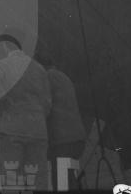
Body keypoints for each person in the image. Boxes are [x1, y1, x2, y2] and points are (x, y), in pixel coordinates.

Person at [0, 29, 51, 190]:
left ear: (5, 45)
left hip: (12, 129)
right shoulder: (39, 68)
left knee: (11, 179)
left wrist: (5, 102)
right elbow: (47, 103)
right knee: (38, 180)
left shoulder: (1, 65)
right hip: (37, 130)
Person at [37, 54, 86, 190]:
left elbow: (44, 106)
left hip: (62, 141)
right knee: (69, 180)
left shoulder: (47, 77)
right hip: (76, 138)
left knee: (62, 184)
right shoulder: (64, 76)